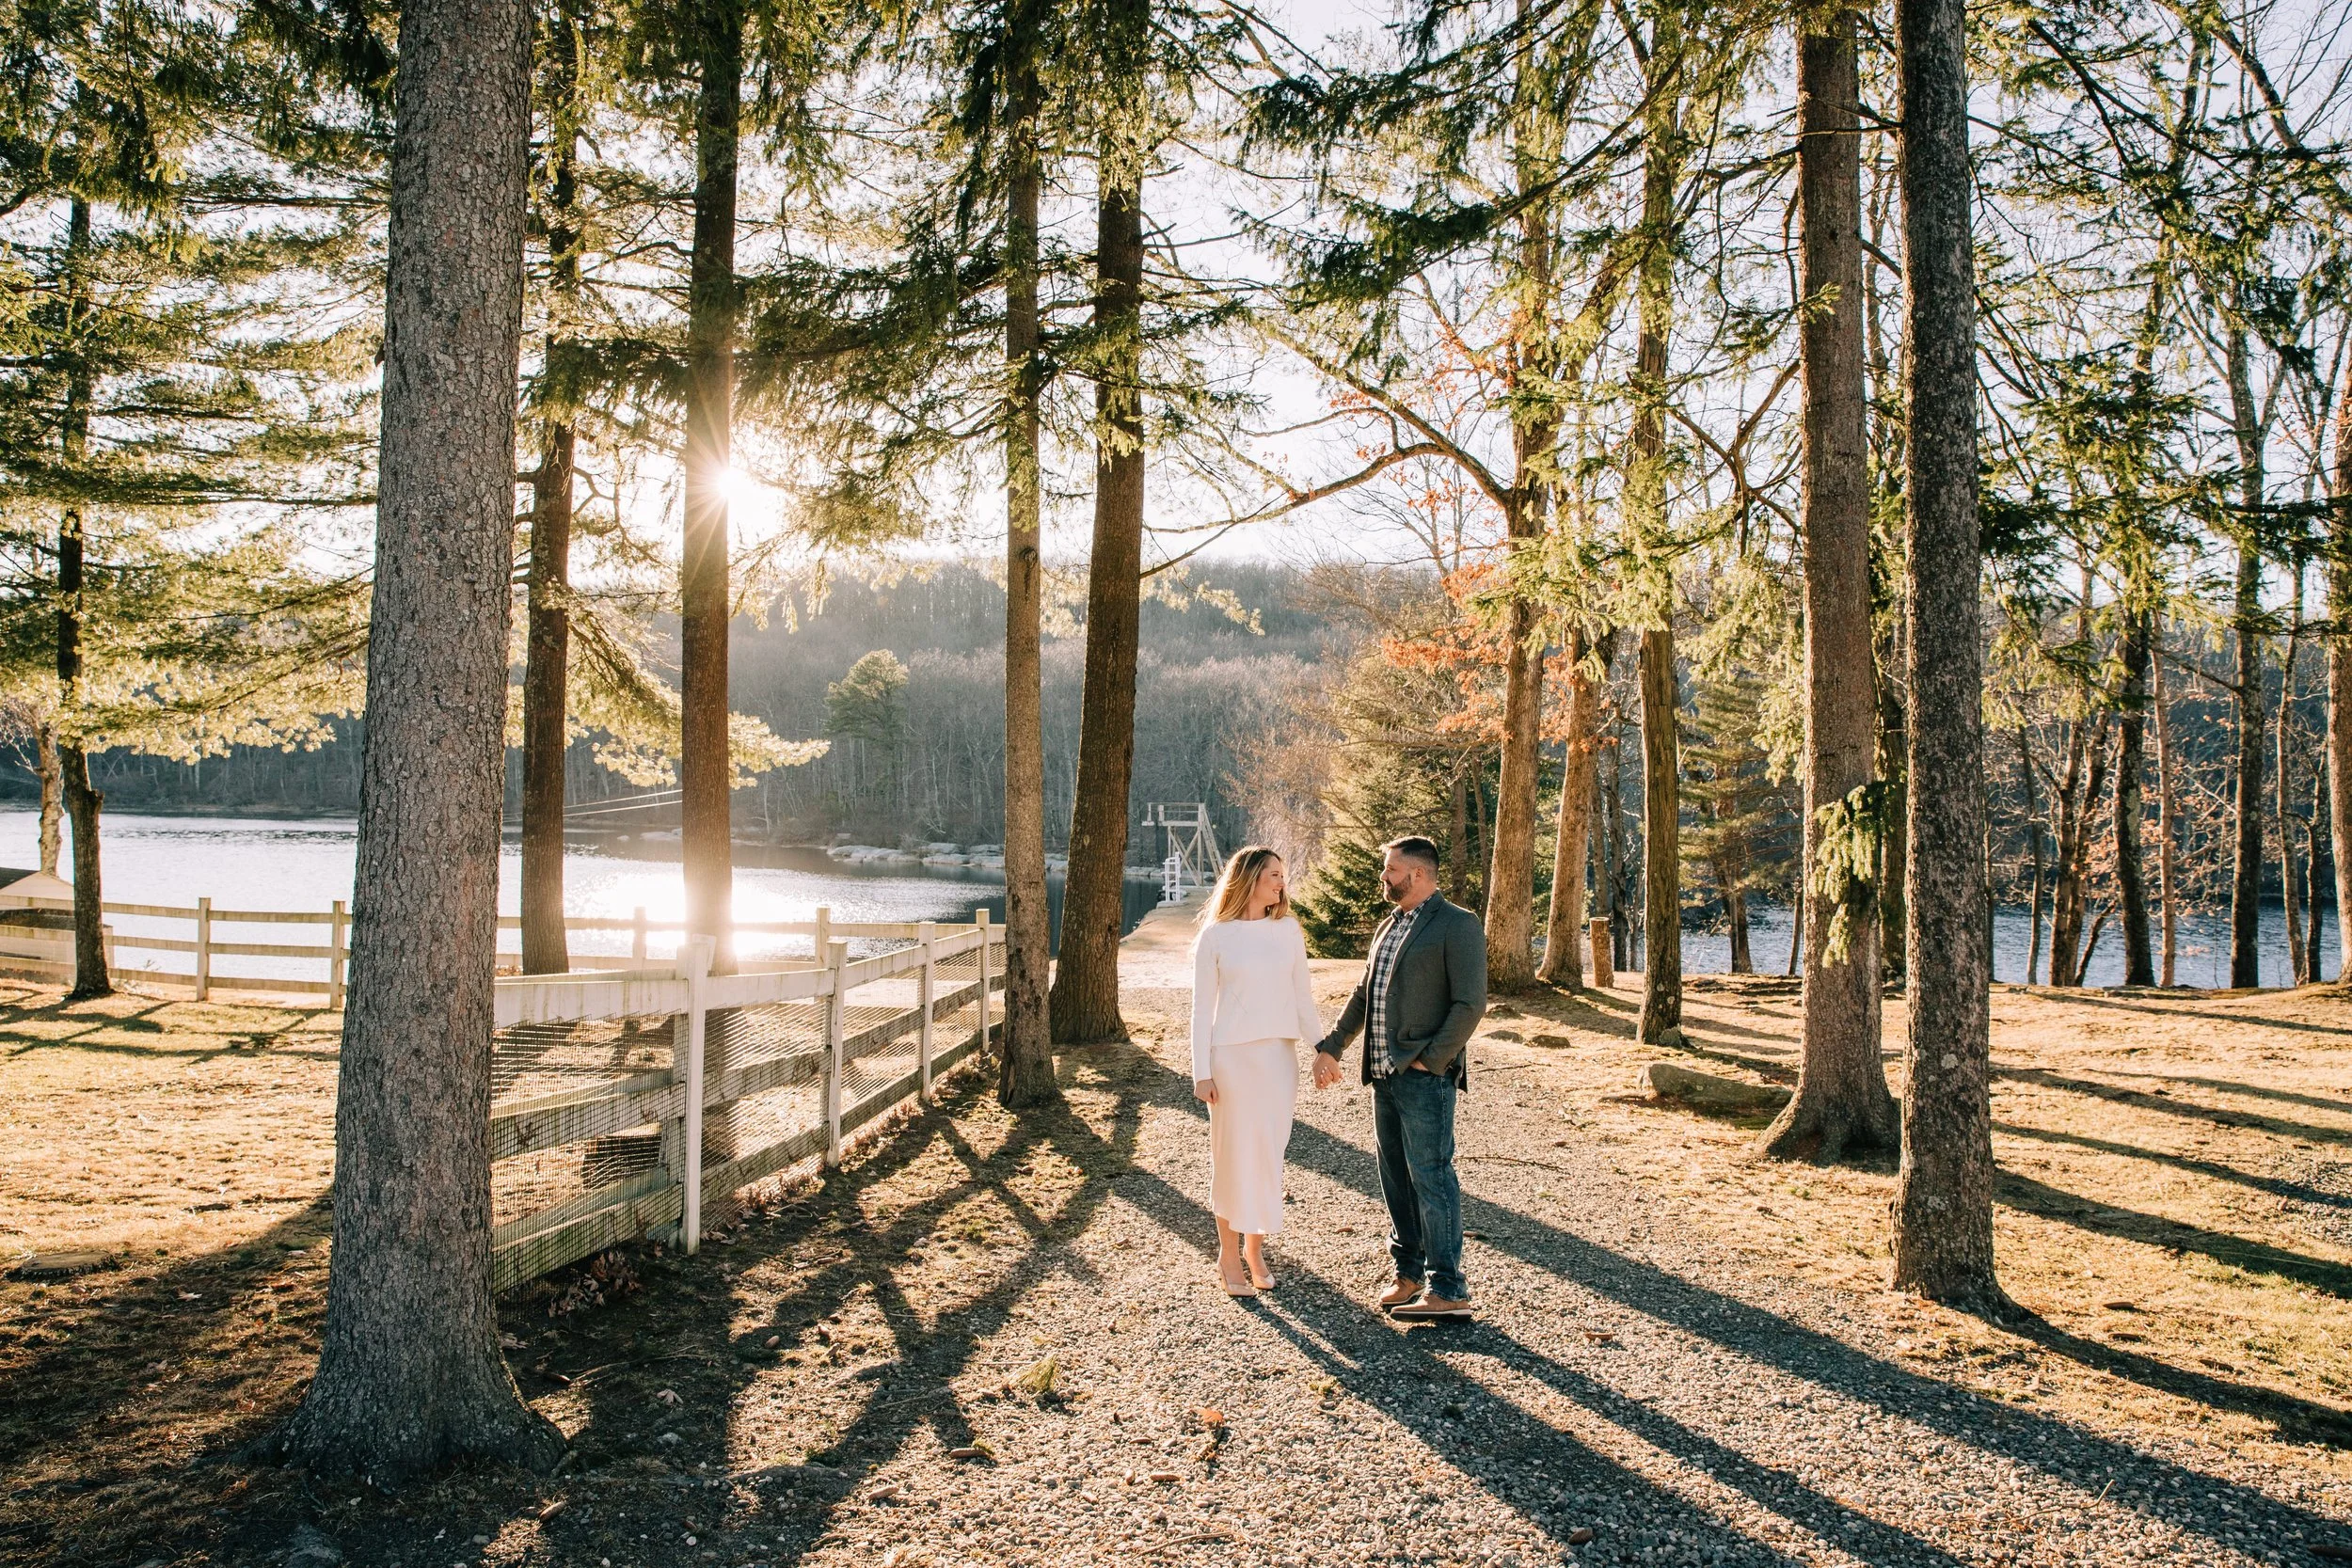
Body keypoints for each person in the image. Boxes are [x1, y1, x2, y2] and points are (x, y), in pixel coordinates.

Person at [1311, 835, 1486, 1321]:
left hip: (1424, 1077)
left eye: (1391, 869)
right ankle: (1408, 1275)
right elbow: (1364, 994)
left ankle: (1448, 1287)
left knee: (1431, 1177)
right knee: (1395, 1179)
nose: (1383, 877)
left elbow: (1470, 1004)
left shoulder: (1458, 924)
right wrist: (1332, 1046)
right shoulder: (1389, 926)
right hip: (1383, 1076)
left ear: (1419, 874)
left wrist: (1431, 1060)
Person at [1191, 845, 1323, 1298]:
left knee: (1267, 1155)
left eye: (1282, 875)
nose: (1281, 882)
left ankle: (1255, 1249)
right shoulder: (1216, 937)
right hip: (1230, 1059)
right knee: (1232, 1155)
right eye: (1272, 874)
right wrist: (1200, 1071)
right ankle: (1228, 1254)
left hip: (1277, 1060)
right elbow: (1200, 1010)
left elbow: (1303, 998)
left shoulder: (1288, 931)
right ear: (1247, 877)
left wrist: (1324, 1047)